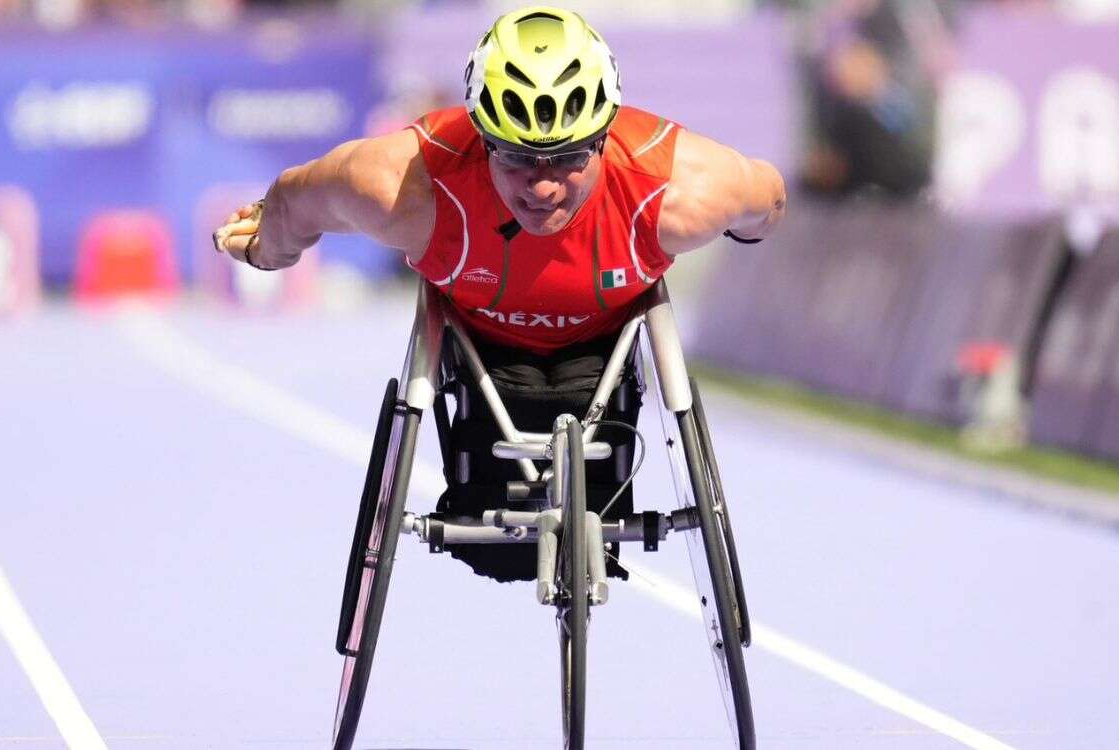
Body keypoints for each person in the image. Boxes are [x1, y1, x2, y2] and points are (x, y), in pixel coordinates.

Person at [213, 5, 785, 581]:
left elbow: (768, 196)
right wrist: (269, 248)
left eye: (566, 158)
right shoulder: (407, 187)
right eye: (516, 158)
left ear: (604, 137)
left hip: (607, 351)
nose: (541, 185)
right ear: (483, 139)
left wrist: (749, 224)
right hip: (478, 356)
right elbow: (295, 197)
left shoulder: (680, 190)